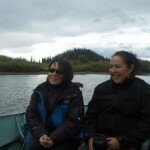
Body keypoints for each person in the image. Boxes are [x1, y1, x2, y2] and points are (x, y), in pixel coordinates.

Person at [84, 51, 150, 150]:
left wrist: (121, 142)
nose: (113, 71)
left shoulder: (144, 90)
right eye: (111, 67)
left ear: (130, 68)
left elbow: (146, 124)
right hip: (98, 141)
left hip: (128, 143)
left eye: (117, 67)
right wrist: (90, 138)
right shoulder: (101, 88)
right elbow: (90, 117)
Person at [25, 58, 84, 150]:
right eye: (52, 70)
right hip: (41, 131)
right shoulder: (39, 90)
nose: (54, 74)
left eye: (59, 72)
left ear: (66, 74)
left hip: (65, 135)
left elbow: (73, 121)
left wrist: (53, 138)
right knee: (30, 146)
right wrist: (41, 135)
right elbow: (31, 115)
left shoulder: (74, 93)